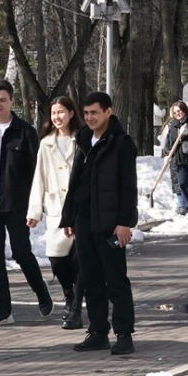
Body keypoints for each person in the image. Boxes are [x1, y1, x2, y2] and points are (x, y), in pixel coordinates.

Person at [61, 91, 138, 356]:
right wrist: (69, 216)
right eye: (86, 113)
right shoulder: (83, 139)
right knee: (90, 278)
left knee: (115, 280)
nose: (90, 117)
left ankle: (124, 333)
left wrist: (125, 223)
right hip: (85, 220)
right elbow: (75, 183)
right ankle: (97, 331)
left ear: (108, 111)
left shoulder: (121, 143)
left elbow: (129, 187)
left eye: (95, 112)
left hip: (110, 223)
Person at [0, 80, 54, 325]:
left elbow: (37, 170)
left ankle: (41, 292)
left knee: (21, 252)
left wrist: (36, 205)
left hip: (16, 202)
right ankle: (3, 309)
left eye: (3, 100)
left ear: (11, 101)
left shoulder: (24, 130)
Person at [27, 96, 83, 329]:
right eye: (53, 113)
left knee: (79, 261)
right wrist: (34, 210)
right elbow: (39, 177)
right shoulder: (46, 143)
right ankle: (69, 294)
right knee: (57, 259)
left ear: (71, 113)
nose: (57, 117)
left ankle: (76, 309)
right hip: (56, 210)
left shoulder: (81, 140)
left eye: (61, 112)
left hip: (80, 209)